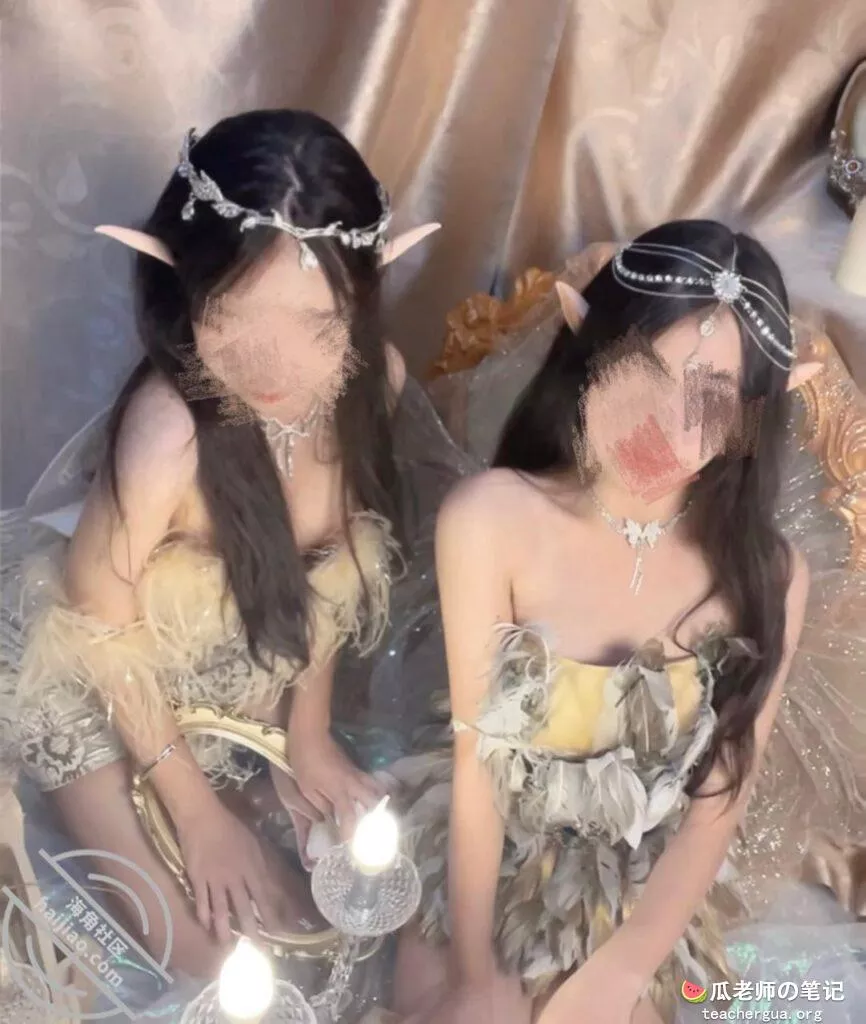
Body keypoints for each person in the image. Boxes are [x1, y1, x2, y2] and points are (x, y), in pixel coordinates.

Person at [0, 108, 444, 977]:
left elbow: (335, 576)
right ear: (184, 285)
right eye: (236, 315)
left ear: (363, 297)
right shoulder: (168, 431)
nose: (276, 366)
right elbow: (96, 634)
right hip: (88, 677)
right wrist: (196, 810)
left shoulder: (372, 383)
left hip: (229, 674)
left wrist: (305, 735)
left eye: (318, 324)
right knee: (212, 964)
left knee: (335, 924)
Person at [389, 220, 840, 1024]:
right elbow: (475, 768)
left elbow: (722, 795)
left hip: (642, 878)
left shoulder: (768, 578)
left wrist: (624, 968)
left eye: (710, 400)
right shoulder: (491, 519)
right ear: (588, 349)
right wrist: (472, 971)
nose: (661, 426)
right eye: (641, 373)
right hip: (486, 849)